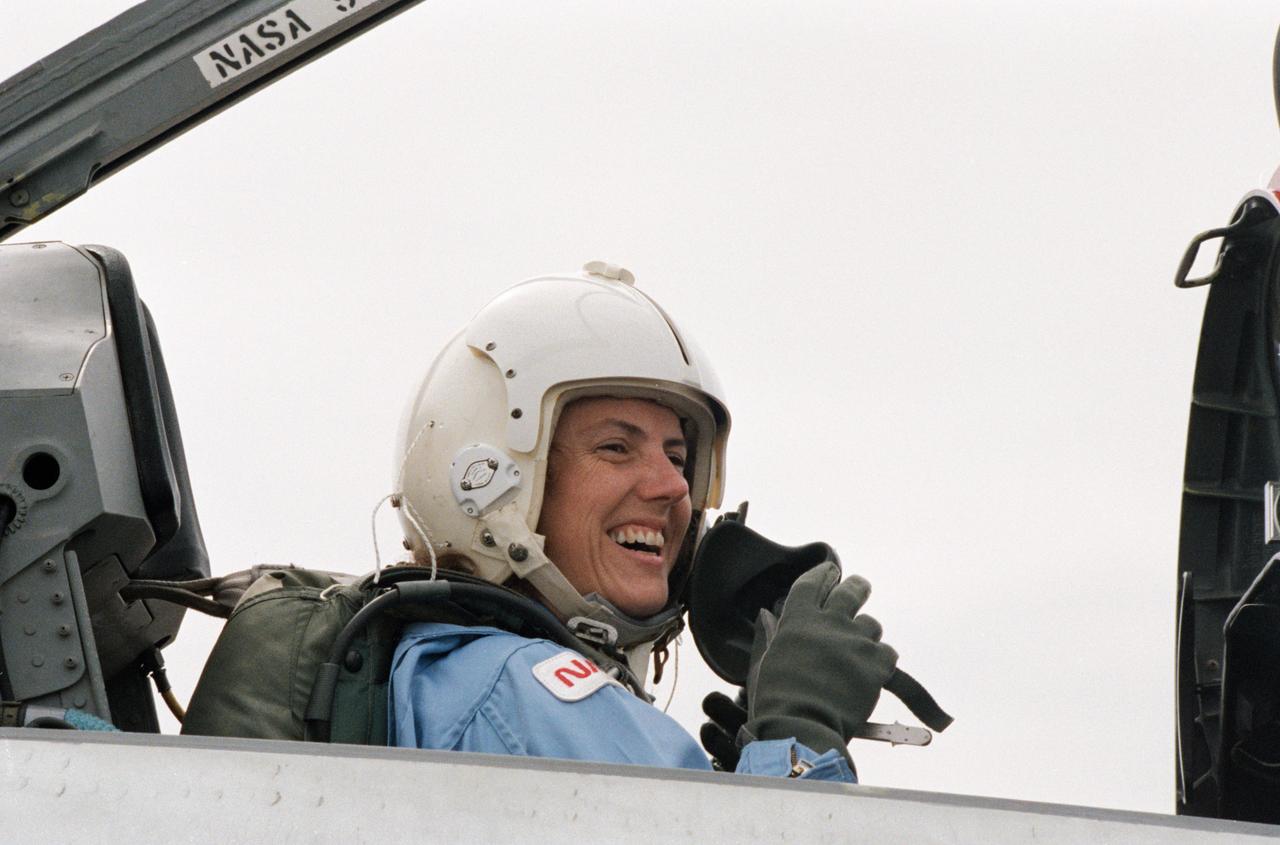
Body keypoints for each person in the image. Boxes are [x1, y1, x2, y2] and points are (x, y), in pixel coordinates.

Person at [386, 261, 898, 781]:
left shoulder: (454, 677)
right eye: (615, 448)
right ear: (500, 489)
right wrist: (798, 741)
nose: (674, 487)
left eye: (677, 458)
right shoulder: (521, 690)